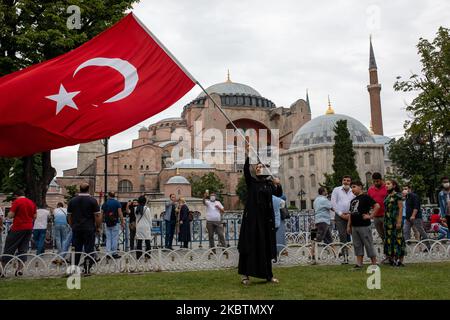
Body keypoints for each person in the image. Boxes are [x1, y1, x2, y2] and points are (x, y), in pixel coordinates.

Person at [238, 155, 278, 285]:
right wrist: (249, 157)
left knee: (265, 247)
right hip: (252, 221)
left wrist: (278, 184)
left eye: (261, 167)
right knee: (249, 246)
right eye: (258, 167)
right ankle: (245, 276)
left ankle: (268, 276)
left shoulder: (269, 184)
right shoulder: (252, 183)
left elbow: (277, 193)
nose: (259, 169)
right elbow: (245, 171)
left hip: (265, 221)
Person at [67, 183, 101, 275]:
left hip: (76, 228)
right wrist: (98, 227)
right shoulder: (93, 201)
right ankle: (87, 268)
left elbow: (69, 216)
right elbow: (97, 216)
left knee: (75, 248)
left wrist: (72, 225)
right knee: (89, 248)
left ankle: (74, 268)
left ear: (80, 189)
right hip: (89, 227)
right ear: (88, 189)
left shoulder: (72, 201)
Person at [1, 190, 36, 276]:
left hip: (18, 227)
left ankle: (3, 269)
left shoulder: (17, 202)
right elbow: (35, 216)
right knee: (23, 248)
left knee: (9, 247)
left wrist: (8, 215)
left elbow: (11, 215)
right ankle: (20, 270)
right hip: (29, 227)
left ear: (16, 196)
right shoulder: (32, 202)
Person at [346, 181, 379, 269]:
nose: (352, 189)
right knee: (357, 245)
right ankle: (359, 264)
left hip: (364, 225)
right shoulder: (353, 200)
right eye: (351, 187)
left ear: (360, 187)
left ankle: (374, 263)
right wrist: (348, 226)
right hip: (354, 226)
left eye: (354, 186)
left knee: (368, 244)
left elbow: (377, 206)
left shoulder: (366, 197)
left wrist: (370, 216)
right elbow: (351, 214)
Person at [331, 175, 355, 264]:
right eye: (344, 180)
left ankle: (351, 255)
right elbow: (333, 203)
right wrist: (341, 214)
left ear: (350, 182)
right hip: (339, 216)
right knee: (342, 235)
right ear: (342, 181)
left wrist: (350, 214)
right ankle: (345, 257)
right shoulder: (336, 190)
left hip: (350, 216)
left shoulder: (353, 191)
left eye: (348, 180)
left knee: (350, 235)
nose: (346, 182)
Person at [384, 180, 406, 267]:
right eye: (386, 184)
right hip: (388, 221)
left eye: (388, 184)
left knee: (398, 239)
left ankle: (400, 261)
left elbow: (401, 208)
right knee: (389, 240)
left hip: (396, 220)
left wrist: (399, 221)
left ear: (394, 185)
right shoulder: (387, 196)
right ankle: (392, 259)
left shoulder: (398, 195)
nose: (386, 185)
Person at [403, 184, 431, 250]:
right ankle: (405, 247)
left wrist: (413, 215)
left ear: (410, 189)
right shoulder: (407, 197)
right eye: (403, 189)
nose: (404, 190)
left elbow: (416, 207)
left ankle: (428, 246)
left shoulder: (414, 196)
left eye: (406, 189)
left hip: (416, 217)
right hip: (408, 218)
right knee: (405, 230)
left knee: (421, 231)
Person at [311, 187, 334, 262]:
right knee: (317, 238)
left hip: (317, 219)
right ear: (323, 192)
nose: (327, 192)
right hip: (324, 220)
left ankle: (336, 253)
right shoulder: (324, 200)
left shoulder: (316, 200)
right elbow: (332, 207)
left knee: (329, 238)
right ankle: (311, 254)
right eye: (326, 190)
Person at [101, 192, 125, 259]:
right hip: (115, 223)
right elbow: (120, 213)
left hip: (107, 223)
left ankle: (108, 253)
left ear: (109, 196)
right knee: (114, 238)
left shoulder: (105, 203)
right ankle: (114, 253)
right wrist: (122, 222)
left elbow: (101, 214)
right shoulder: (117, 203)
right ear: (114, 196)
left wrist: (100, 224)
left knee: (108, 238)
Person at [367, 172, 387, 241]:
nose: (376, 183)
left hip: (386, 215)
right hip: (376, 215)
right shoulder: (370, 189)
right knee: (381, 234)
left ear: (381, 180)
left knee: (387, 232)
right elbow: (368, 202)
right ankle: (385, 246)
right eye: (374, 181)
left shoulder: (386, 187)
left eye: (377, 181)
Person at [134, 196, 152, 260]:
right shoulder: (147, 209)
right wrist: (151, 226)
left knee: (139, 241)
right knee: (147, 241)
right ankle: (147, 255)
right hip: (146, 226)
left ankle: (138, 255)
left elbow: (136, 217)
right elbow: (149, 219)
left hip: (139, 226)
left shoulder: (135, 208)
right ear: (145, 201)